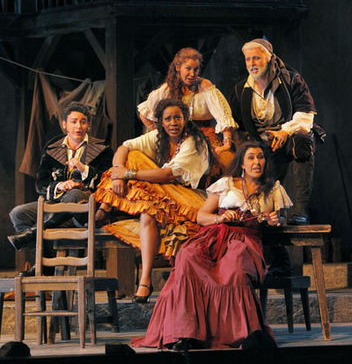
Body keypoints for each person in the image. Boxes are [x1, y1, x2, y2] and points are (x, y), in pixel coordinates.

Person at [132, 141, 292, 350]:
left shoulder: (272, 189)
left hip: (245, 241)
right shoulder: (226, 184)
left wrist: (274, 220)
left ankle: (238, 334)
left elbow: (281, 219)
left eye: (260, 157)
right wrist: (221, 218)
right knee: (187, 257)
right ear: (242, 164)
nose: (256, 162)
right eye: (251, 157)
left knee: (233, 268)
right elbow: (201, 216)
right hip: (215, 235)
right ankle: (185, 333)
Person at [94, 98, 209, 302]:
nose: (173, 123)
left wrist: (127, 174)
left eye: (177, 118)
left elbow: (167, 175)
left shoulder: (193, 142)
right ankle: (145, 281)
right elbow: (124, 147)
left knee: (135, 164)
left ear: (185, 120)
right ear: (160, 123)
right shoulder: (158, 136)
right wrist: (118, 174)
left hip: (186, 198)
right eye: (168, 119)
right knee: (147, 208)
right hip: (161, 195)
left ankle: (104, 209)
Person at [230, 39, 325, 225]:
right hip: (261, 142)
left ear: (270, 58)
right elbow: (236, 124)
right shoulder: (242, 89)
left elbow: (306, 115)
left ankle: (300, 210)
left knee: (303, 138)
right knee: (249, 154)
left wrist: (284, 132)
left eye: (256, 58)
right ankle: (256, 212)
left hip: (287, 138)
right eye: (248, 59)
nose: (252, 63)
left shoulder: (291, 80)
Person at [8, 101, 113, 263]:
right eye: (74, 121)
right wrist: (59, 186)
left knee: (74, 194)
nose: (79, 126)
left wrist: (84, 169)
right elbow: (40, 183)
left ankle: (33, 233)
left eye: (83, 122)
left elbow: (108, 181)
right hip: (56, 206)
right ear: (65, 125)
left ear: (88, 126)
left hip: (84, 210)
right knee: (18, 213)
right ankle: (43, 264)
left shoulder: (102, 149)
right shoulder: (52, 149)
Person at [137, 47, 237, 177]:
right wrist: (156, 132)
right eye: (188, 68)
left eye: (196, 69)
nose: (192, 74)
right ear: (178, 67)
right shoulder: (168, 89)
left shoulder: (205, 86)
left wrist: (226, 143)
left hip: (205, 136)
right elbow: (144, 113)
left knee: (227, 163)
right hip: (176, 137)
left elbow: (223, 115)